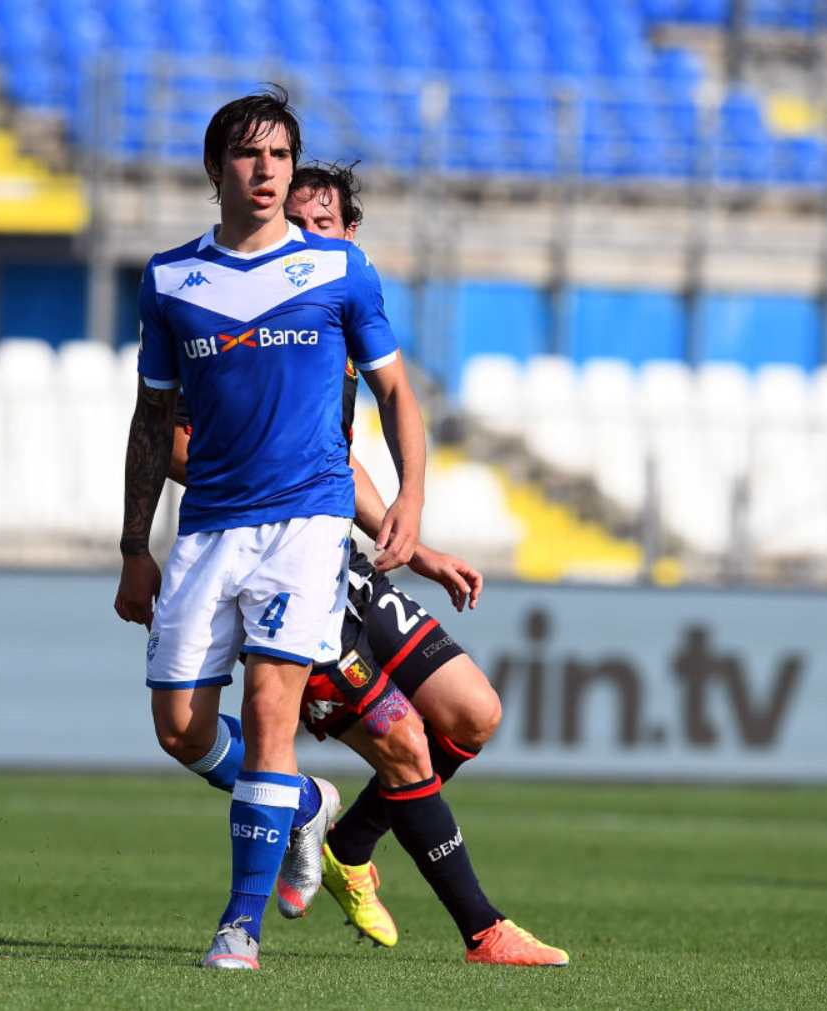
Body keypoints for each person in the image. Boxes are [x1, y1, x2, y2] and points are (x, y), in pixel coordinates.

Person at [161, 161, 570, 968]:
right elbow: (171, 434)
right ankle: (484, 931)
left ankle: (348, 840)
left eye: (326, 224)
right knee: (405, 745)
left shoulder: (341, 317)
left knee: (474, 714)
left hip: (343, 554)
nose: (310, 236)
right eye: (299, 222)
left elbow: (345, 463)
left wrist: (417, 546)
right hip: (278, 554)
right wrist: (249, 472)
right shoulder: (251, 316)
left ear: (350, 237)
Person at [114, 88, 427, 971]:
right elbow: (150, 421)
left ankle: (238, 926)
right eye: (249, 156)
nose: (266, 172)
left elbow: (398, 390)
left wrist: (409, 501)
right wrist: (135, 546)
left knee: (272, 709)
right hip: (209, 526)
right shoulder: (172, 278)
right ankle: (297, 805)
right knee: (179, 727)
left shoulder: (338, 270)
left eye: (280, 157)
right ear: (216, 169)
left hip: (309, 520)